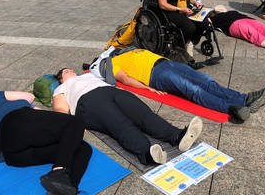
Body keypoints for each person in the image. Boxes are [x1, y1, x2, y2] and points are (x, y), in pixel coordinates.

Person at [0, 91, 92, 195]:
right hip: (14, 124)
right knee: (75, 122)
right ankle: (58, 172)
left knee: (82, 148)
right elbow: (30, 97)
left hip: (13, 156)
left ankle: (65, 194)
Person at [52, 68, 203, 165]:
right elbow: (60, 108)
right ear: (61, 77)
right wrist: (73, 126)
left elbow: (115, 72)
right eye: (66, 70)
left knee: (143, 115)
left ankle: (177, 136)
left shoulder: (89, 75)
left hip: (111, 91)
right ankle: (147, 153)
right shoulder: (61, 88)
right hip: (88, 101)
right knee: (119, 124)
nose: (71, 70)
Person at [87, 47, 265, 122]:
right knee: (193, 90)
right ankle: (232, 108)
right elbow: (126, 80)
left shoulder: (128, 51)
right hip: (156, 75)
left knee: (207, 81)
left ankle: (245, 98)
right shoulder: (111, 63)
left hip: (166, 63)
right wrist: (146, 88)